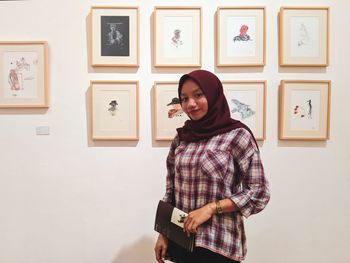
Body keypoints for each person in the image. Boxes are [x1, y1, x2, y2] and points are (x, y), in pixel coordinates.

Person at [154, 70, 270, 263]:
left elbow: (259, 192)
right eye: (184, 98)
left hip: (219, 245)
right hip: (183, 242)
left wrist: (210, 208)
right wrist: (163, 232)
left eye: (198, 95)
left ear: (213, 94)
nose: (190, 104)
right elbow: (171, 192)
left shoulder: (237, 135)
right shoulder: (182, 138)